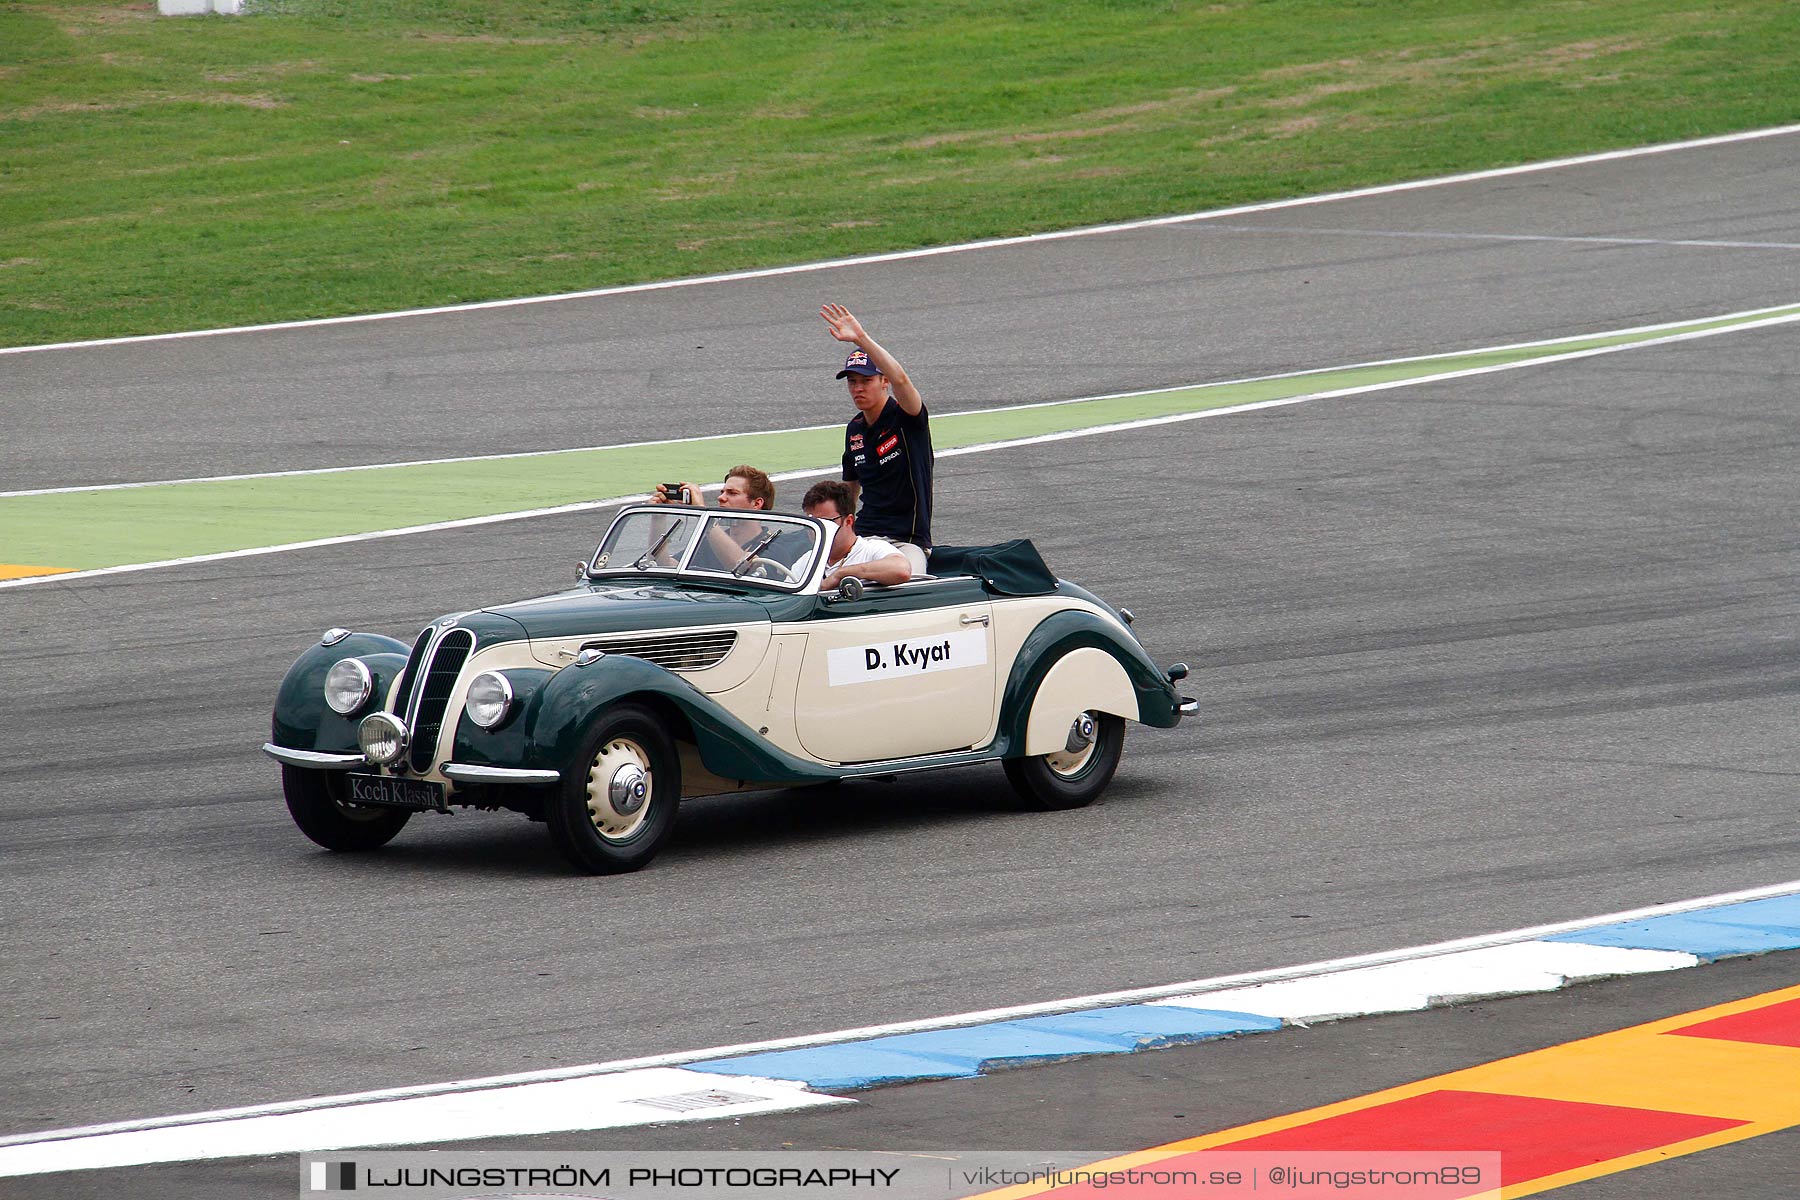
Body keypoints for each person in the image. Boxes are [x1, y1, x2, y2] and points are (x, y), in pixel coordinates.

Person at [822, 303, 933, 577]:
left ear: (884, 381)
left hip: (905, 540)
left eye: (866, 380)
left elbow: (903, 380)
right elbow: (848, 493)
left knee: (907, 584)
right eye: (852, 382)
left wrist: (861, 339)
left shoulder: (906, 417)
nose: (857, 388)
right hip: (864, 537)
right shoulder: (855, 429)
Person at [647, 465, 805, 574]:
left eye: (732, 493)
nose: (721, 497)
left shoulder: (776, 548)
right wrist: (658, 518)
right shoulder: (710, 542)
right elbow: (665, 566)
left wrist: (703, 513)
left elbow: (743, 568)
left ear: (757, 503)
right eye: (722, 492)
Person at [801, 480, 912, 591]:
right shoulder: (805, 561)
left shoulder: (870, 549)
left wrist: (841, 574)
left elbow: (901, 570)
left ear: (848, 521)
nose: (815, 530)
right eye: (812, 523)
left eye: (824, 523)